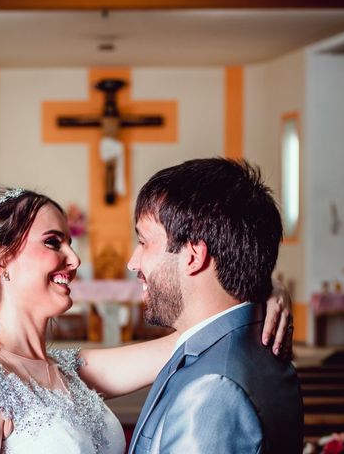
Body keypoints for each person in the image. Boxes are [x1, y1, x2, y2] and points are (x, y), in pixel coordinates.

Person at [0, 185, 293, 454]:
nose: (73, 258)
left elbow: (198, 337)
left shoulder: (71, 369)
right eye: (54, 242)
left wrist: (261, 296)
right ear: (0, 259)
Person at [127, 158, 303, 454]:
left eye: (143, 242)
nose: (133, 262)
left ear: (194, 256)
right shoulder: (246, 342)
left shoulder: (213, 390)